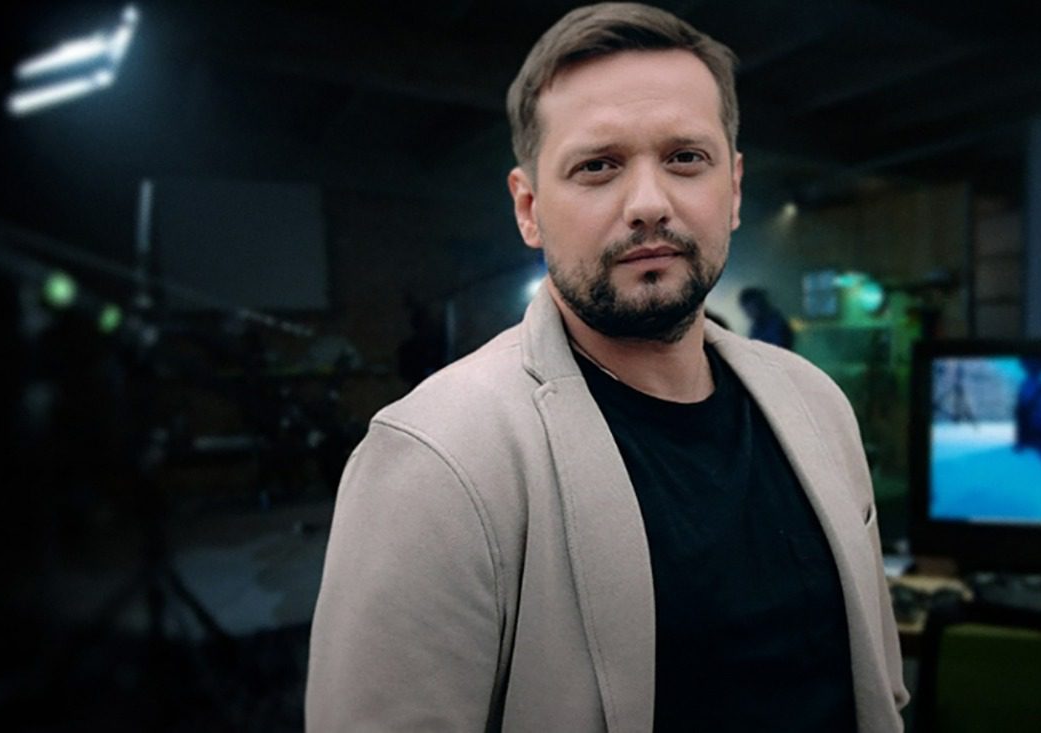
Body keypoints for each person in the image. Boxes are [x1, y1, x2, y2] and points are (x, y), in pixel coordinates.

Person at [306, 4, 908, 731]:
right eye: (598, 166)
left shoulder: (816, 403)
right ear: (529, 209)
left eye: (686, 158)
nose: (649, 204)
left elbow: (879, 687)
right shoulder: (439, 459)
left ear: (734, 189)